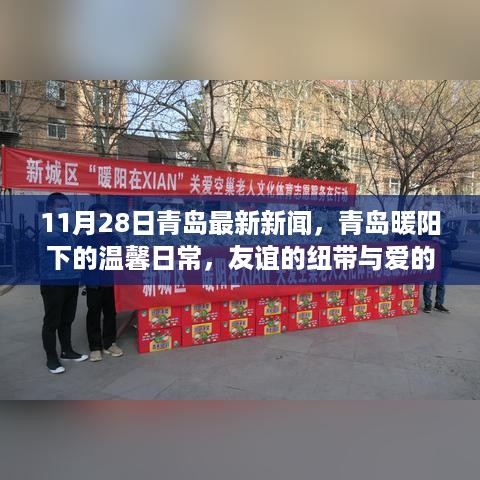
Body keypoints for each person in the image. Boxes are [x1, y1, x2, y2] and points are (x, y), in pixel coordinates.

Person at [39, 192, 88, 374]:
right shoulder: (49, 229)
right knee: (52, 321)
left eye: (67, 206)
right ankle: (51, 359)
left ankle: (67, 351)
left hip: (70, 279)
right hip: (54, 281)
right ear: (50, 208)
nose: (65, 209)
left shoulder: (67, 226)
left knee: (67, 319)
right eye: (61, 206)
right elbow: (73, 250)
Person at [78, 203, 124, 362]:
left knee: (111, 314)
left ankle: (110, 343)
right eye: (98, 217)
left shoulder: (115, 238)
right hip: (94, 283)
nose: (102, 219)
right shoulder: (84, 239)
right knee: (94, 314)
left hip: (112, 283)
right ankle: (95, 347)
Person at [420, 211, 459, 313]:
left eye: (442, 218)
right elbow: (421, 238)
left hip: (444, 262)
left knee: (441, 285)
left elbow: (455, 245)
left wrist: (445, 243)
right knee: (429, 284)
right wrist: (431, 238)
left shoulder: (449, 232)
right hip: (431, 261)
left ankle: (439, 304)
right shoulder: (429, 230)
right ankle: (427, 304)